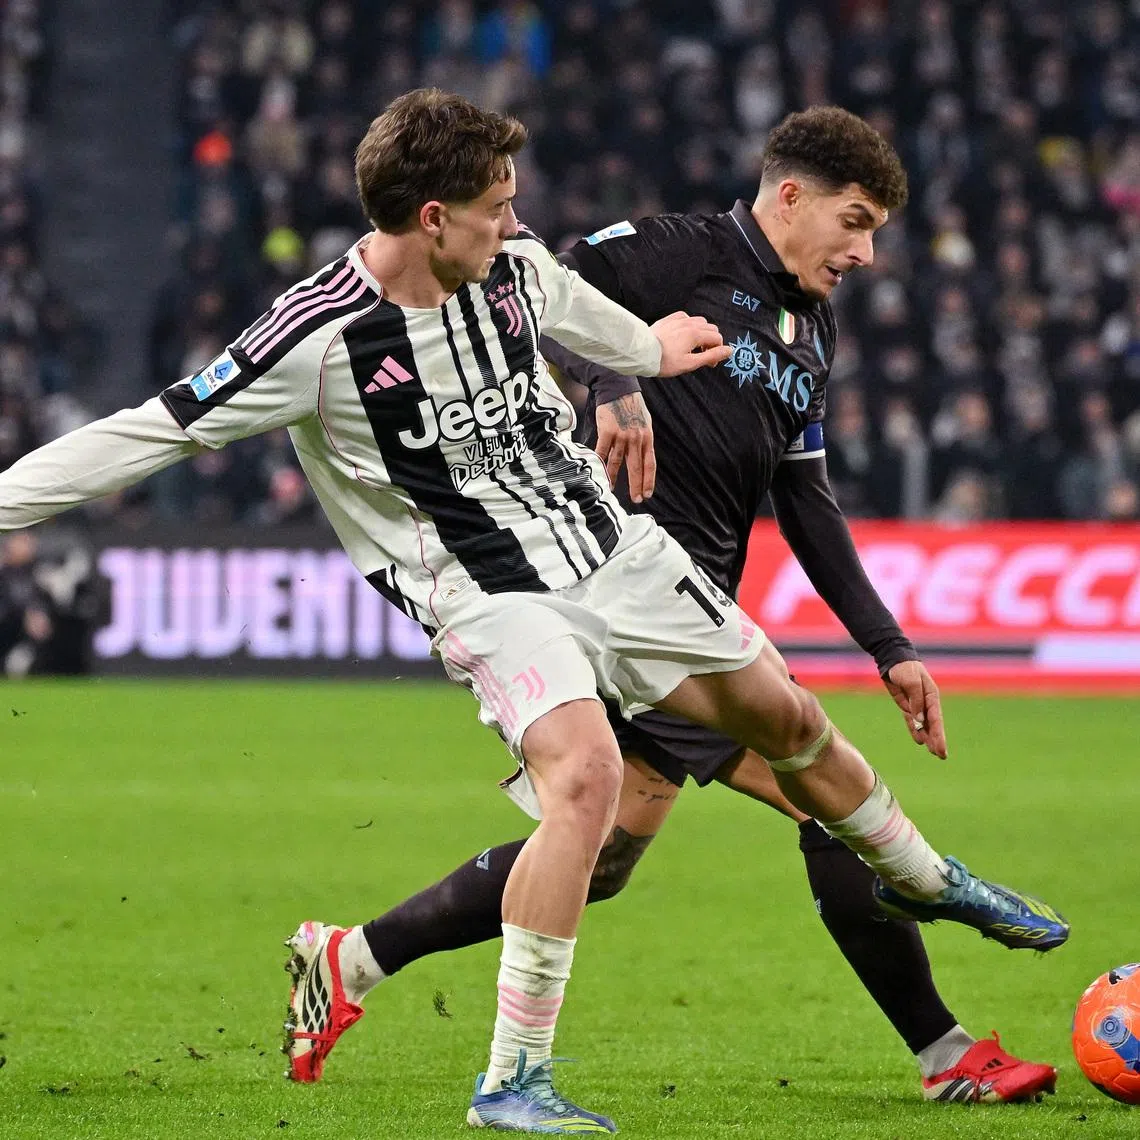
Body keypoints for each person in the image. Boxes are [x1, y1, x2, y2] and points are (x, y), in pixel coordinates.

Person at [0, 92, 1067, 1134]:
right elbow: (149, 431)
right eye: (499, 206)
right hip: (489, 591)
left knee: (781, 725)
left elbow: (579, 308)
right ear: (434, 218)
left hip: (614, 552)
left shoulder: (514, 270)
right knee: (590, 782)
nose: (517, 224)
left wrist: (644, 361)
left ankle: (931, 881)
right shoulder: (319, 340)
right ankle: (517, 1079)